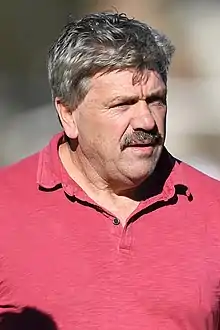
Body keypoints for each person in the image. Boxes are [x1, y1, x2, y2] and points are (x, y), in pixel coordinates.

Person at [0, 11, 220, 330]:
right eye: (122, 104)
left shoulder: (213, 210)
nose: (146, 121)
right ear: (68, 114)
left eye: (156, 100)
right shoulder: (6, 207)